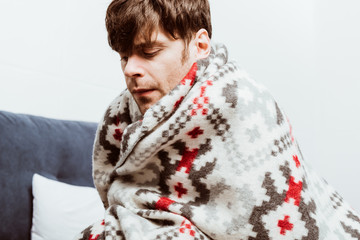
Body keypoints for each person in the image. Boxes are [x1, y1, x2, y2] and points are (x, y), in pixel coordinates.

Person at [75, 0, 360, 239]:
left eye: (149, 52)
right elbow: (117, 196)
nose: (131, 69)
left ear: (200, 45)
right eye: (124, 57)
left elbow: (285, 221)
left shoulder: (243, 102)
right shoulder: (119, 115)